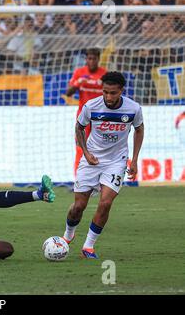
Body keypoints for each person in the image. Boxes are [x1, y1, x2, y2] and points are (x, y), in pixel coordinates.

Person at [62, 71, 144, 259]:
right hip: (91, 160)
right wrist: (86, 153)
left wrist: (135, 159)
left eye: (113, 93)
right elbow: (79, 128)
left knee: (105, 203)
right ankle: (68, 236)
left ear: (121, 91)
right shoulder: (91, 106)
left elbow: (139, 129)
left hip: (116, 161)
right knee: (78, 207)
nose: (108, 97)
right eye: (105, 92)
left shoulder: (134, 109)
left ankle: (88, 247)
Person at [64, 48, 107, 175]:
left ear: (98, 59)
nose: (92, 61)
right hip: (83, 117)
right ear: (86, 59)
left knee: (101, 148)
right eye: (89, 58)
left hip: (101, 117)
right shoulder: (79, 73)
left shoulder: (104, 74)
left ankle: (100, 179)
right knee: (80, 147)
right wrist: (78, 83)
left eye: (94, 58)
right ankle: (78, 180)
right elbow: (68, 93)